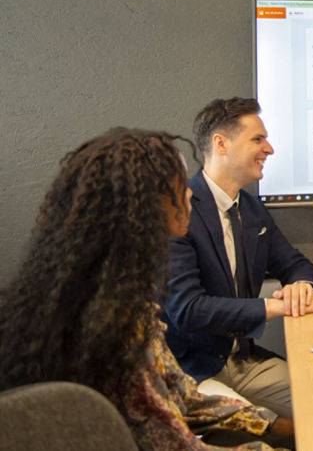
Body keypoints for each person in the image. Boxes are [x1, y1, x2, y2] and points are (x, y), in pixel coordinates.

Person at [0, 128, 293, 449]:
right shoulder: (115, 327)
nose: (189, 195)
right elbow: (171, 441)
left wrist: (277, 427)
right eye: (179, 187)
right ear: (143, 207)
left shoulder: (104, 295)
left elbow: (184, 400)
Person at [163, 98, 313, 421]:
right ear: (221, 144)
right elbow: (187, 310)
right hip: (195, 371)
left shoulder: (250, 208)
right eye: (257, 139)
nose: (269, 149)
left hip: (244, 361)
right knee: (267, 428)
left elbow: (295, 263)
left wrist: (301, 285)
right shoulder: (179, 211)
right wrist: (273, 307)